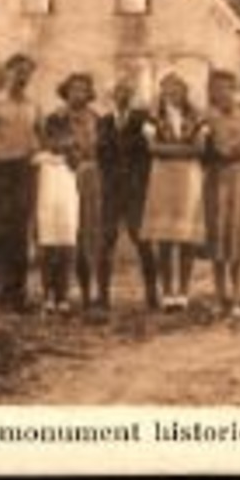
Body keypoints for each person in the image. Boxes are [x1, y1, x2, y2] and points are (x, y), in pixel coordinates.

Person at [0, 53, 42, 310]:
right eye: (18, 71)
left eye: (27, 73)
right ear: (8, 71)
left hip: (23, 172)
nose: (22, 77)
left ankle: (16, 295)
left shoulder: (33, 105)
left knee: (19, 234)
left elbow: (41, 136)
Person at [140, 72, 207, 312]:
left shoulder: (196, 114)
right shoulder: (153, 116)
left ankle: (184, 292)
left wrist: (169, 150)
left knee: (187, 237)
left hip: (189, 177)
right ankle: (168, 292)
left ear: (184, 90)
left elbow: (200, 148)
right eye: (168, 88)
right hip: (162, 178)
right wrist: (182, 148)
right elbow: (151, 148)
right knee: (166, 238)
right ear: (162, 90)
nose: (173, 92)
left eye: (177, 87)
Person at [99, 75, 159, 313]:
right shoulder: (103, 122)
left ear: (132, 96)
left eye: (127, 91)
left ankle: (152, 295)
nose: (122, 96)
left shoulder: (142, 120)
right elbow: (100, 154)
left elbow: (152, 148)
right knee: (106, 241)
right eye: (118, 91)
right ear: (112, 96)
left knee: (143, 241)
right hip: (111, 190)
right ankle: (102, 298)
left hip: (135, 190)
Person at [48, 72, 105, 317]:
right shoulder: (56, 118)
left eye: (83, 89)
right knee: (62, 235)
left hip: (91, 180)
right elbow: (51, 145)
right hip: (63, 178)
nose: (78, 94)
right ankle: (58, 294)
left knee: (87, 235)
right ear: (65, 91)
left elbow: (102, 149)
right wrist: (69, 150)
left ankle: (87, 293)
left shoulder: (97, 118)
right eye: (73, 89)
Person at [203, 70, 240, 318]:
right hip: (215, 177)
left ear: (234, 90)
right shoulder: (207, 118)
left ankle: (236, 295)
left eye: (227, 88)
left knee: (238, 232)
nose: (222, 93)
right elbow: (203, 150)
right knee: (218, 233)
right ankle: (219, 294)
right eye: (217, 89)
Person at [32, 115, 81, 315]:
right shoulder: (39, 159)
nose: (58, 140)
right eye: (52, 135)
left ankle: (63, 295)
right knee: (47, 250)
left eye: (63, 135)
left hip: (67, 206)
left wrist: (69, 149)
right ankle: (48, 295)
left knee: (66, 249)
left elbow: (76, 162)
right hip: (46, 207)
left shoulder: (72, 160)